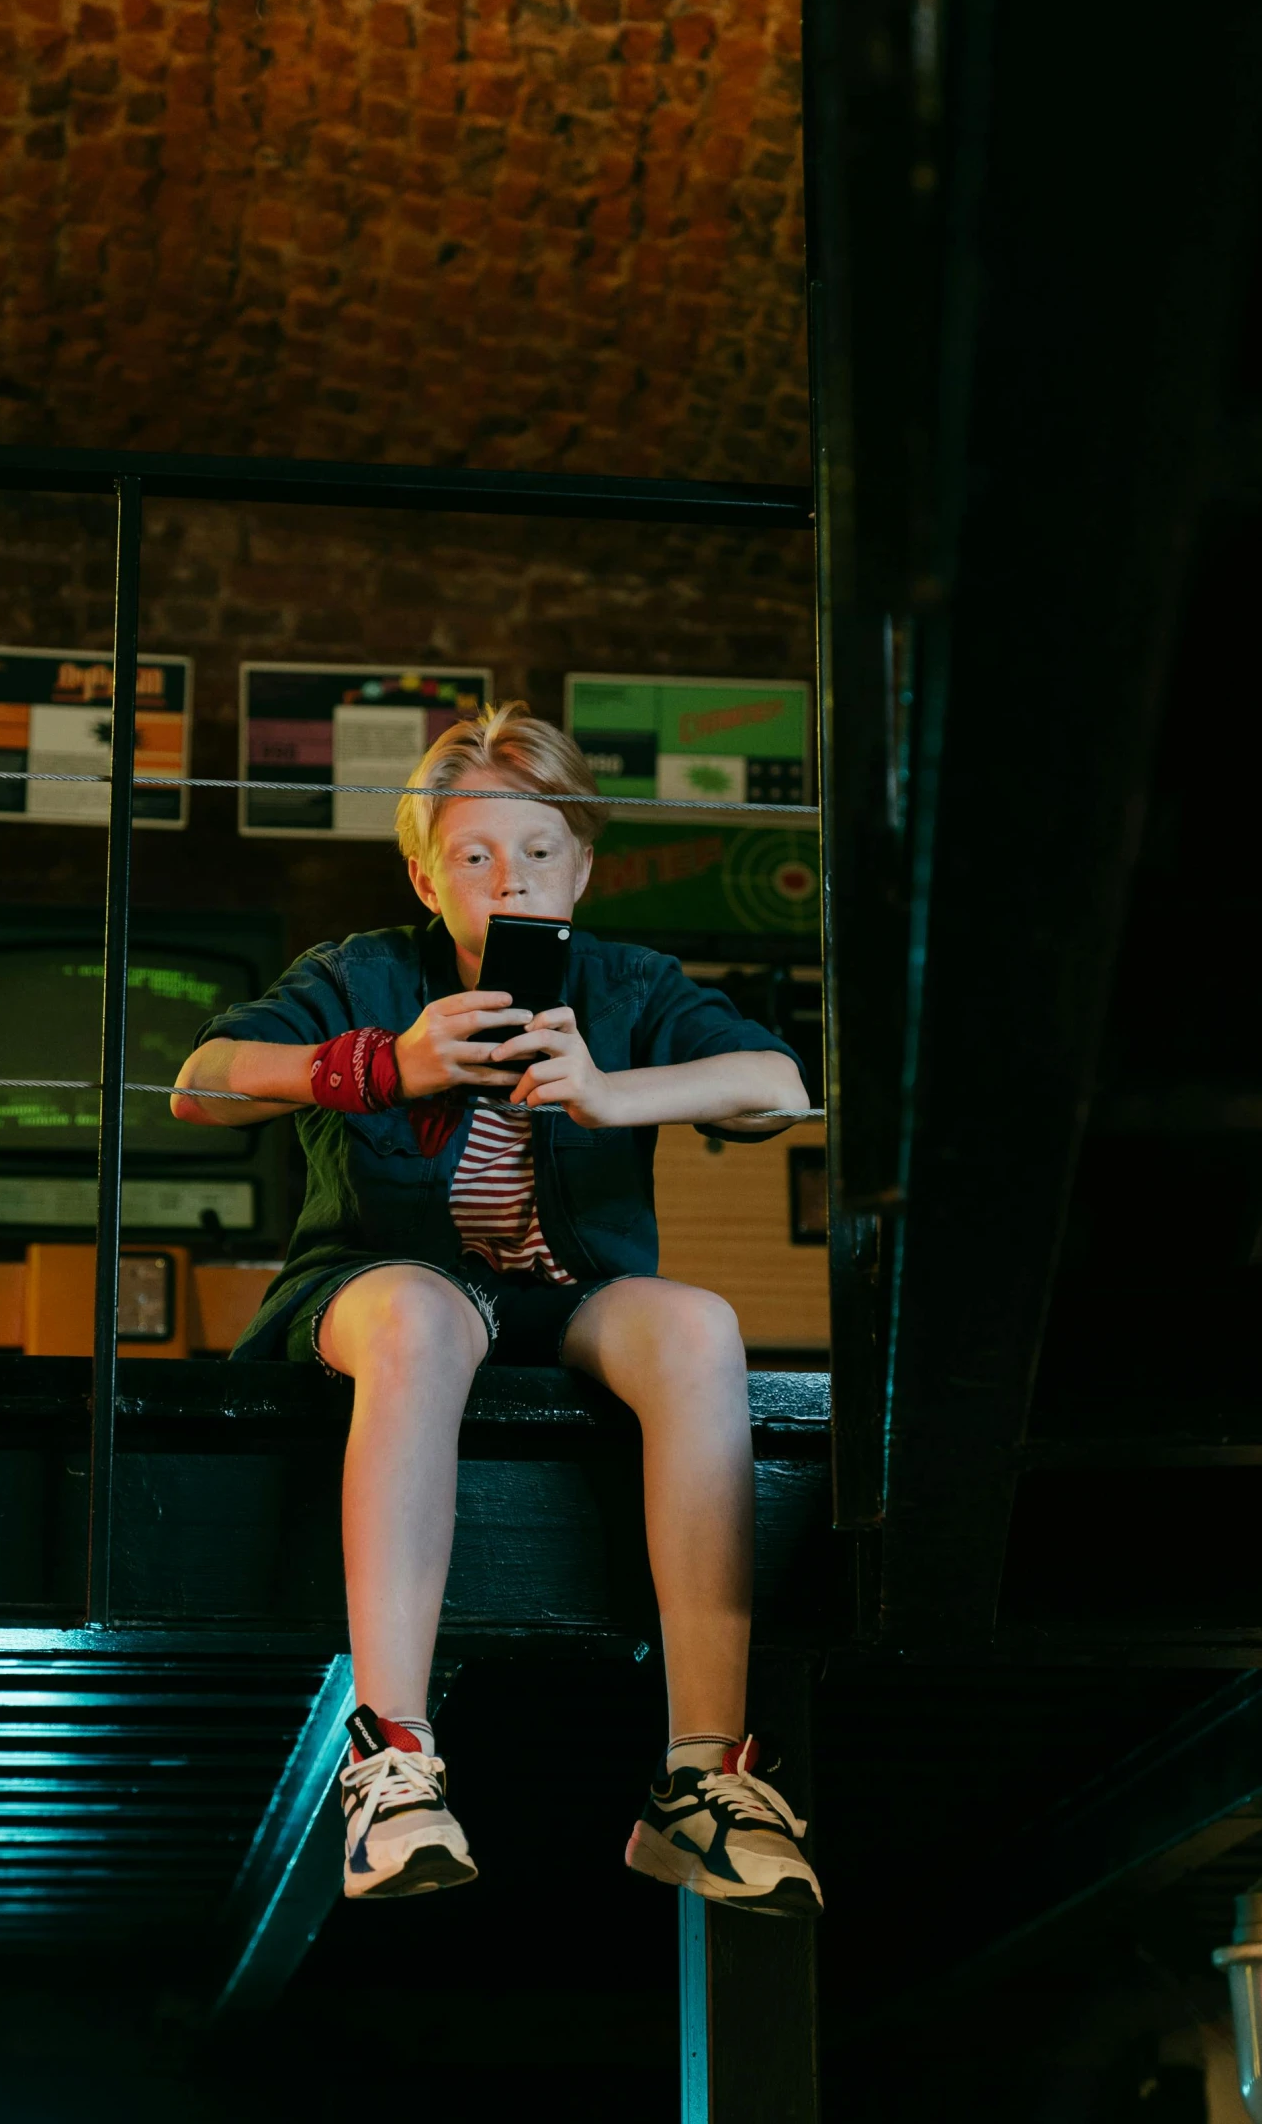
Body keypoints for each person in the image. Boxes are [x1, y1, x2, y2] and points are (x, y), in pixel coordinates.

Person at [172, 702, 822, 1916]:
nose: (506, 877)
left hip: (560, 1301)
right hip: (377, 1292)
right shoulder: (362, 971)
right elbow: (202, 1083)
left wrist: (615, 1093)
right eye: (471, 854)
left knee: (698, 1324)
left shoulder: (628, 981)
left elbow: (776, 1085)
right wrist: (380, 1063)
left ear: (580, 864)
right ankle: (393, 1757)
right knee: (425, 1314)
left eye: (536, 851)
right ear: (424, 872)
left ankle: (701, 1780)